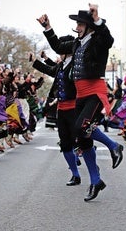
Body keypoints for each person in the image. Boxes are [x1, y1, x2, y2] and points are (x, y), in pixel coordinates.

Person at [37, 3, 123, 201]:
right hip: (81, 94)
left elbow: (109, 39)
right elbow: (58, 46)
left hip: (95, 92)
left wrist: (97, 19)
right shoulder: (77, 43)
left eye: (79, 24)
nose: (76, 27)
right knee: (82, 138)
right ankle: (96, 181)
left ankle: (113, 146)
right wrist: (48, 28)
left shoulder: (98, 39)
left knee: (81, 127)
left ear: (88, 25)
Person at [31, 35, 82, 186]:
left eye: (61, 47)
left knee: (82, 141)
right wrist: (35, 61)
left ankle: (93, 166)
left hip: (75, 108)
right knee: (65, 144)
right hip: (62, 109)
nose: (58, 50)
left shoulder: (77, 64)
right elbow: (50, 69)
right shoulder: (62, 65)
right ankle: (75, 174)